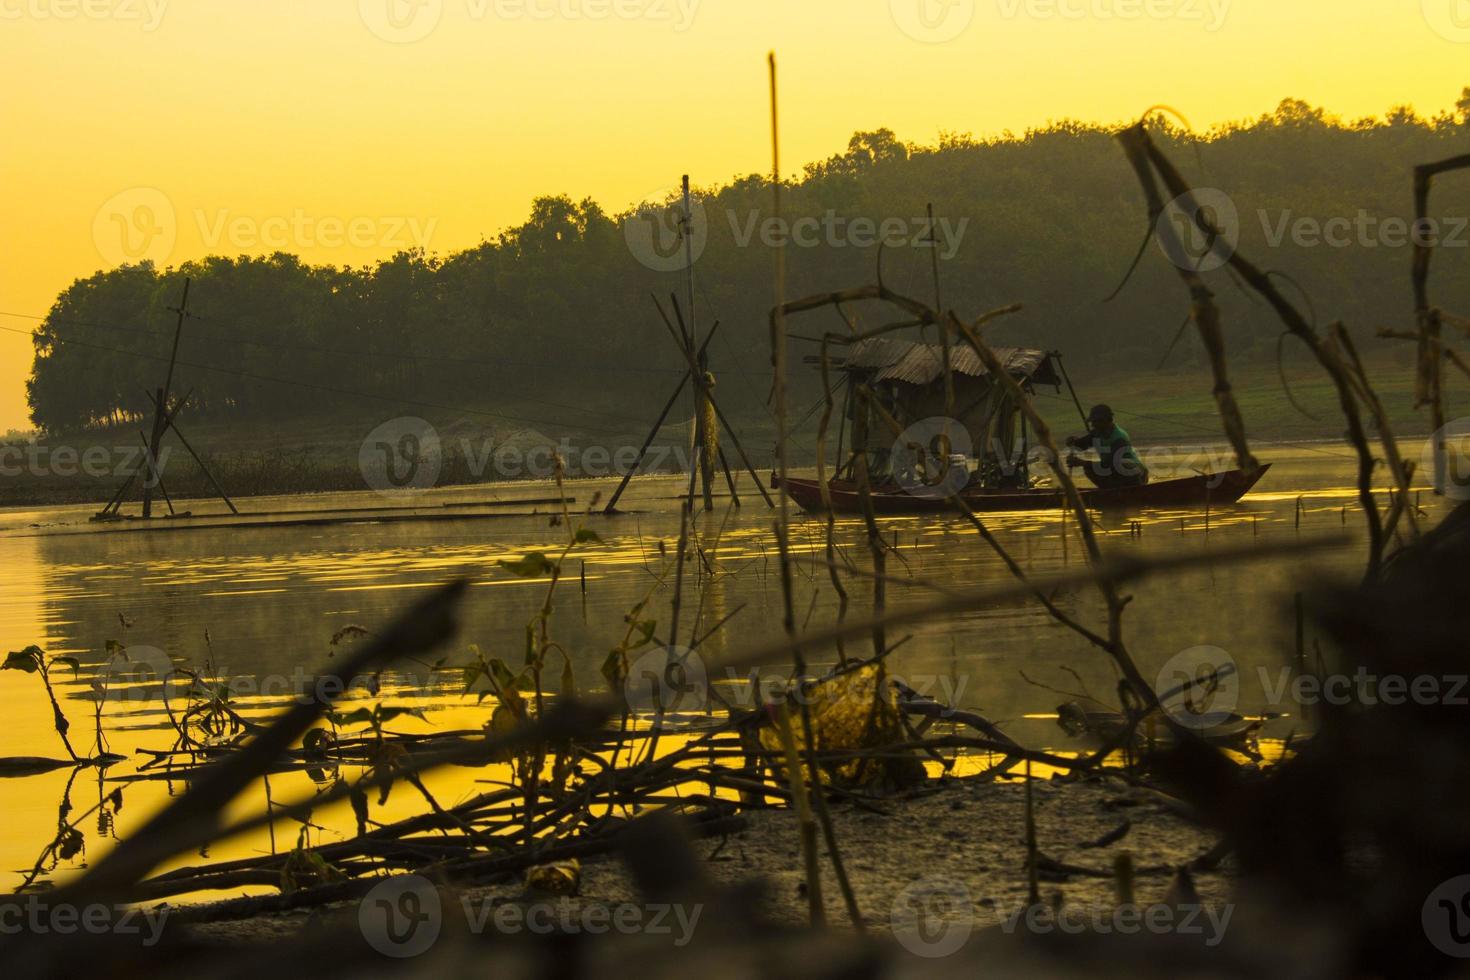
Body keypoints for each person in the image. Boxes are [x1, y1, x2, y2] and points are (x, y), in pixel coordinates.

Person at [1065, 405, 1149, 489]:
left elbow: (1110, 464)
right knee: (1089, 469)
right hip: (1114, 472)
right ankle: (1109, 490)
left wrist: (1082, 463)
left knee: (1121, 463)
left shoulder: (1119, 438)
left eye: (1095, 422)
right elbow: (1080, 445)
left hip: (1136, 475)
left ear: (1104, 421)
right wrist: (1073, 442)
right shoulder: (1097, 434)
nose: (1092, 425)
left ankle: (1130, 489)